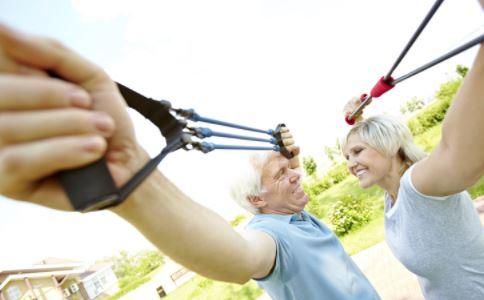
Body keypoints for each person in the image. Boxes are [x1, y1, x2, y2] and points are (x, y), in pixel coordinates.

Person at [0, 25, 380, 299]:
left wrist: (288, 159)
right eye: (282, 174)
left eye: (288, 168)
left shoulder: (293, 212)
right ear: (257, 202)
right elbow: (239, 257)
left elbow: (289, 175)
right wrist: (133, 182)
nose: (296, 175)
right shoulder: (273, 235)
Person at [342, 44, 484, 299]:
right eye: (347, 157)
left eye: (358, 152)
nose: (351, 163)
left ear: (389, 144)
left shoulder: (417, 184)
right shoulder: (391, 196)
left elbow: (457, 148)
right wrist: (360, 122)